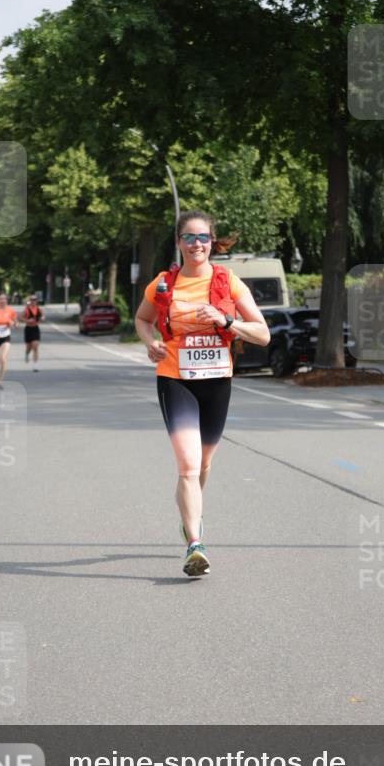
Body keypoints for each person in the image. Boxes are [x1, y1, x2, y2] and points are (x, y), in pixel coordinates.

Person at [135, 210, 270, 577]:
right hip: (175, 378)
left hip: (216, 380)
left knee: (203, 465)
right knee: (188, 466)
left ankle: (189, 514)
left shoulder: (230, 283)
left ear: (212, 242)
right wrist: (151, 344)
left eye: (203, 238)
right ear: (179, 242)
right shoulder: (163, 283)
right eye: (189, 238)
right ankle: (195, 543)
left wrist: (227, 321)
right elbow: (142, 319)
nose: (197, 244)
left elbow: (262, 333)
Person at [0, 292, 19, 389]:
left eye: (4, 299)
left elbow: (17, 324)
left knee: (3, 359)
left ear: (6, 300)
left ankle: (0, 382)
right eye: (0, 299)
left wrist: (13, 324)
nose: (2, 301)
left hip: (5, 337)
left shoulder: (11, 311)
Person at [21, 294, 45, 371]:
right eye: (32, 300)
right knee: (29, 347)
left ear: (37, 301)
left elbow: (43, 317)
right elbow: (20, 317)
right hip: (28, 329)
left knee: (35, 347)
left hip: (35, 328)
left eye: (35, 300)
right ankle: (27, 354)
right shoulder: (26, 310)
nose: (33, 301)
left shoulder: (39, 309)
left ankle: (35, 365)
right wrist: (28, 320)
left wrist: (42, 318)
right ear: (30, 301)